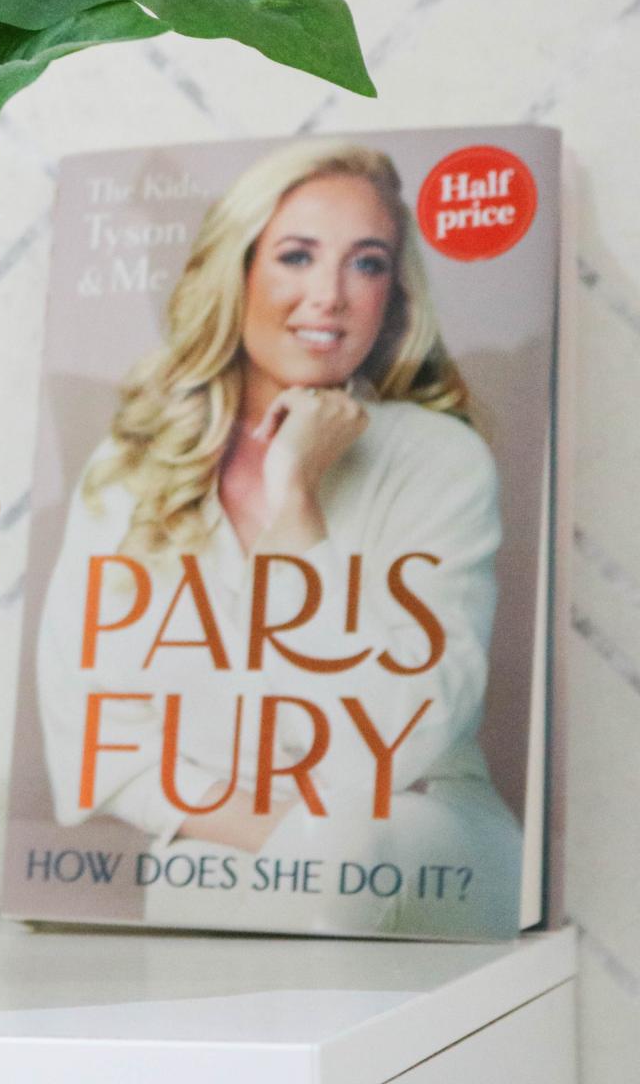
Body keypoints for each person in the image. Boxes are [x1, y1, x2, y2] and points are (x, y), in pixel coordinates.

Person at [35, 140, 521, 935]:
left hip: (422, 841)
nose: (329, 296)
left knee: (344, 854)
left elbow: (389, 745)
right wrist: (295, 843)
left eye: (366, 264)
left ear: (393, 294)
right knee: (262, 870)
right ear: (238, 271)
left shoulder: (440, 460)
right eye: (297, 256)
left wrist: (296, 504)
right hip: (225, 848)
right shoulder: (132, 468)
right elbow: (100, 747)